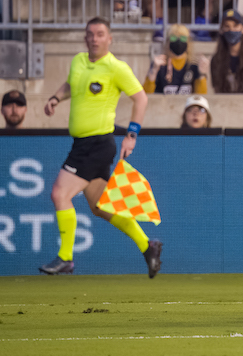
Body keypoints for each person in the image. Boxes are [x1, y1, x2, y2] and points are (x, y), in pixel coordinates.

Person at [38, 17, 161, 277]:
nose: (94, 38)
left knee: (60, 194)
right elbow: (71, 84)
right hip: (82, 142)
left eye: (100, 34)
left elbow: (140, 98)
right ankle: (147, 246)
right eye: (90, 34)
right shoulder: (78, 61)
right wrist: (55, 98)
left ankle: (66, 257)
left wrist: (132, 134)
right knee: (100, 207)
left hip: (97, 143)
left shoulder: (116, 67)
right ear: (85, 37)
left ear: (109, 38)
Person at [143, 24, 208, 95]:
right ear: (168, 42)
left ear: (188, 42)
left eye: (183, 38)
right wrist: (153, 72)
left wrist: (202, 74)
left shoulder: (193, 66)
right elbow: (146, 95)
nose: (178, 41)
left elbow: (201, 97)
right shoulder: (160, 65)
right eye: (173, 38)